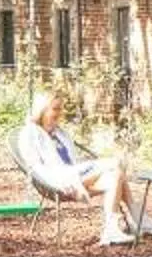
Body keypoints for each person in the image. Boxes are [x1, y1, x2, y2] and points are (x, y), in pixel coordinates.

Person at [17, 88, 137, 245]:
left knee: (116, 175)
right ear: (42, 110)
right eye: (55, 109)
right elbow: (36, 168)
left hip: (76, 177)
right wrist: (63, 182)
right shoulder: (30, 134)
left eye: (61, 109)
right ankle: (138, 219)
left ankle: (111, 230)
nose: (59, 113)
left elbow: (72, 163)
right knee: (114, 164)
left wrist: (77, 178)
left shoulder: (60, 134)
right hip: (58, 181)